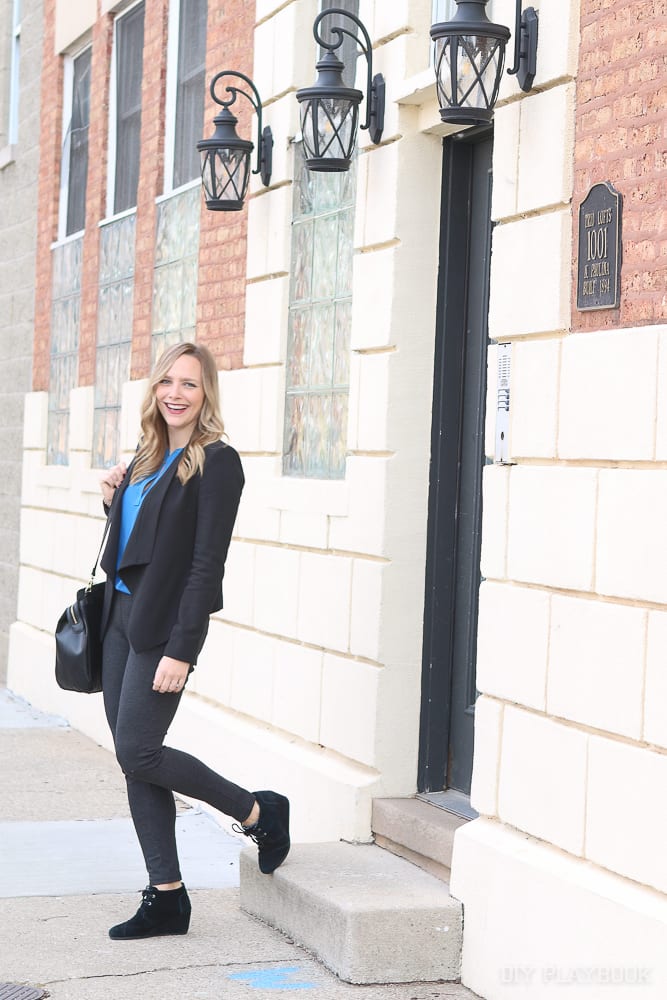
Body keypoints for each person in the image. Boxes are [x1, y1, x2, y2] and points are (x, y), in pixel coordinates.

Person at [98, 341, 289, 941]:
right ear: (154, 390)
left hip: (162, 627)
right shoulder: (145, 456)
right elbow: (139, 548)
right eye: (167, 382)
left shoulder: (217, 462)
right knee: (134, 761)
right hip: (118, 619)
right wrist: (112, 500)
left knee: (139, 751)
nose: (175, 394)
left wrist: (183, 648)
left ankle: (257, 811)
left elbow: (206, 566)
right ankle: (167, 896)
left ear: (206, 394)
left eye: (189, 383)